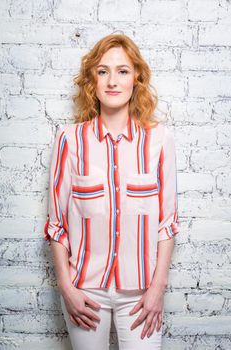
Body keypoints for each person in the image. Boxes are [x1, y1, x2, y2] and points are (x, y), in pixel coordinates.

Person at [43, 33, 180, 350]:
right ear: (92, 79)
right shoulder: (70, 140)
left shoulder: (159, 140)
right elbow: (57, 224)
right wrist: (67, 288)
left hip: (141, 293)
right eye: (103, 71)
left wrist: (157, 289)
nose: (112, 81)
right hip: (85, 293)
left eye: (123, 71)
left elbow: (167, 223)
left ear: (137, 78)